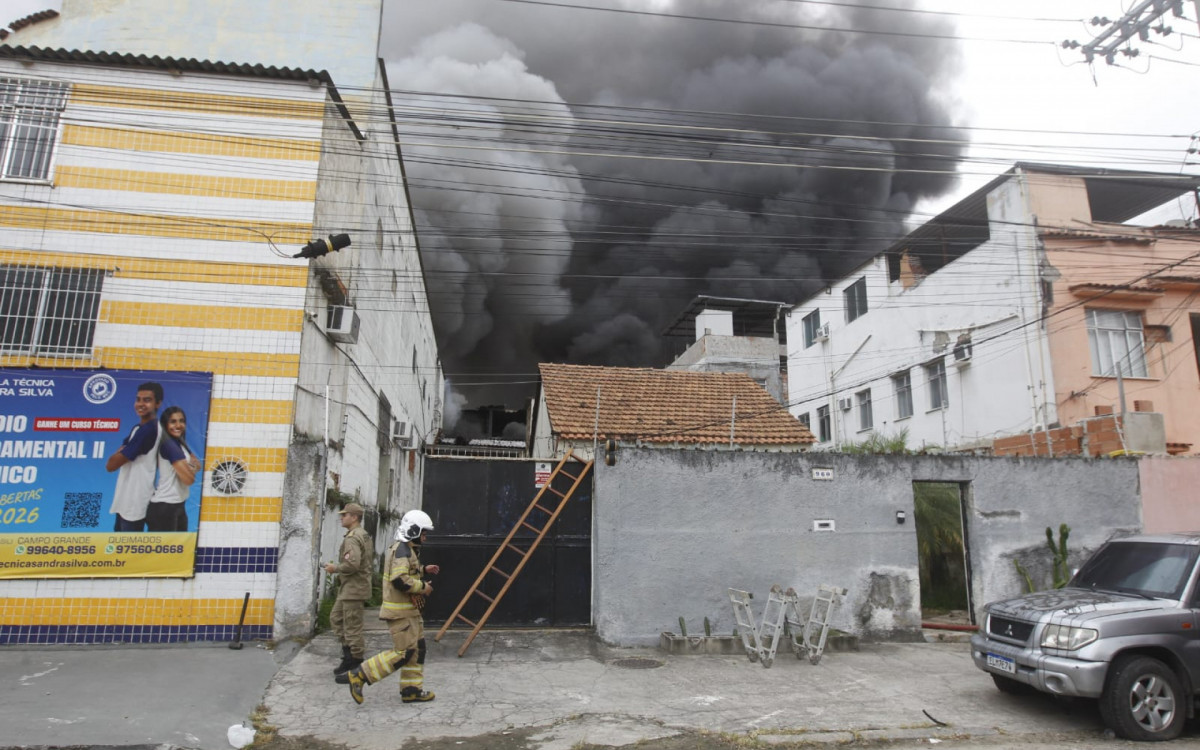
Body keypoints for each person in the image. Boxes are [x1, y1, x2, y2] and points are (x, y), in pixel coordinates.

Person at [338, 509, 438, 704]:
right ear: (413, 531)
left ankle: (412, 690)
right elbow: (400, 579)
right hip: (400, 612)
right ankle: (360, 675)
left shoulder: (406, 549)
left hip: (409, 611)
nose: (425, 538)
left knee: (417, 649)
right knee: (403, 652)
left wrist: (423, 569)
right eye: (423, 533)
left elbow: (406, 569)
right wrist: (423, 587)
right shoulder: (402, 550)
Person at [106, 382, 163, 532]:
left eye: (147, 400)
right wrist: (120, 453)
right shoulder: (138, 428)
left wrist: (119, 454)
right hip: (126, 498)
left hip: (136, 500)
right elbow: (119, 454)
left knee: (127, 550)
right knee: (119, 545)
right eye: (138, 399)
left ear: (158, 403)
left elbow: (111, 465)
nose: (141, 404)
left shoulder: (149, 430)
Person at [325, 503, 373, 676]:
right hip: (350, 588)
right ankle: (348, 655)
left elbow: (352, 564)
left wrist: (335, 568)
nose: (341, 518)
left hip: (354, 588)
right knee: (337, 619)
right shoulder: (363, 534)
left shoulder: (353, 537)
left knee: (352, 626)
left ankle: (355, 663)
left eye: (345, 515)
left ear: (354, 517)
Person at [145, 406, 202, 532]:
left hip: (178, 506)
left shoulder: (180, 443)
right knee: (163, 552)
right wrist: (188, 469)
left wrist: (187, 468)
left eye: (181, 421)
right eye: (173, 421)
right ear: (165, 424)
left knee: (179, 551)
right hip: (164, 508)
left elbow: (198, 464)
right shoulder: (169, 445)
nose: (178, 425)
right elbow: (189, 480)